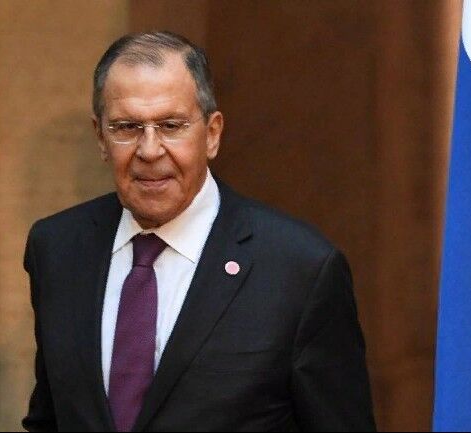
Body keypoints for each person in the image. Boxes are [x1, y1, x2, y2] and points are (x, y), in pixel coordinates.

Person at [22, 31, 375, 432]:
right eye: (127, 127)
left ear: (212, 134)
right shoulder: (57, 249)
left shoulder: (299, 270)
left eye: (171, 125)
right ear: (101, 138)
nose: (149, 150)